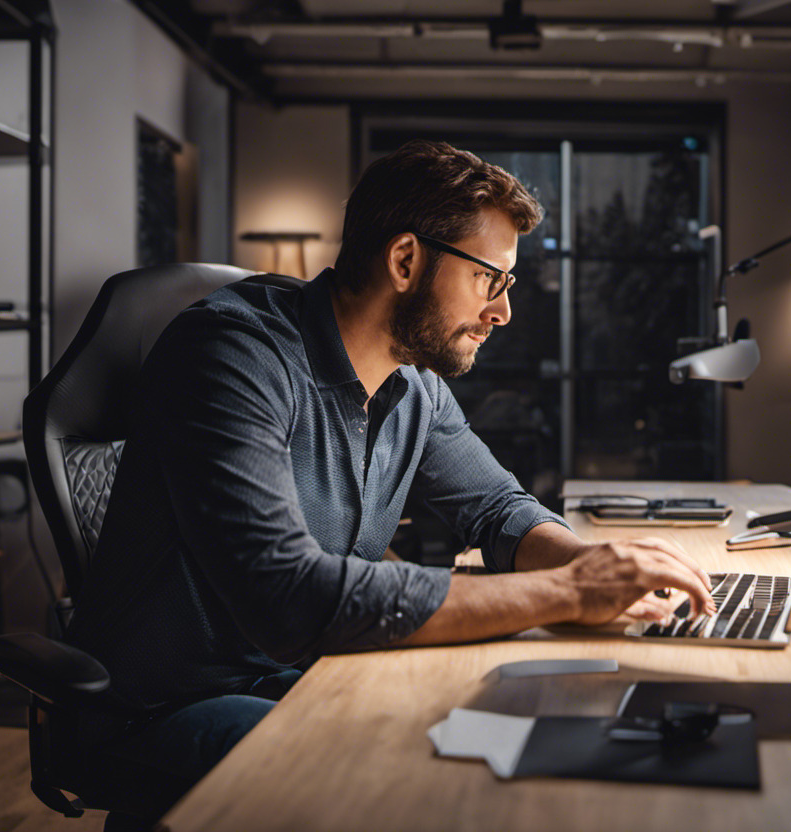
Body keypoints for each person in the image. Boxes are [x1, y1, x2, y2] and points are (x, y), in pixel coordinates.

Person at [65, 140, 714, 825]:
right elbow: (288, 597)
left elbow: (497, 509)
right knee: (412, 782)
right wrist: (568, 591)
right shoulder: (231, 357)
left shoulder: (413, 387)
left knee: (505, 742)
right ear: (405, 261)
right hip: (165, 708)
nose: (503, 313)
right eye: (489, 280)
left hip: (310, 673)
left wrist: (596, 567)